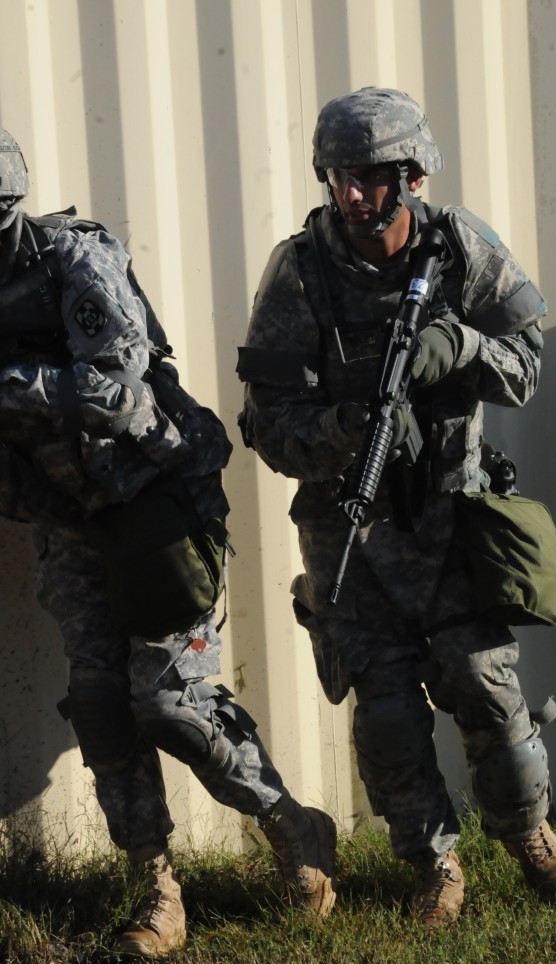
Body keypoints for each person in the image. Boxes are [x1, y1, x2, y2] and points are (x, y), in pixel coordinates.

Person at [237, 87, 556, 926]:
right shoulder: (301, 268)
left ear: (412, 175)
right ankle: (435, 866)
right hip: (347, 527)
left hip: (451, 517)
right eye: (337, 176)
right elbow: (264, 420)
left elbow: (528, 365)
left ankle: (527, 831)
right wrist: (351, 429)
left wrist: (459, 346)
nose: (351, 194)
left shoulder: (460, 245)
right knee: (387, 712)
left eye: (370, 176)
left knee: (485, 691)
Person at [0, 128, 336, 959]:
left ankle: (291, 825)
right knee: (103, 704)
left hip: (155, 496)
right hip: (69, 513)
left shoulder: (72, 259)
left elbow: (114, 389)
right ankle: (158, 891)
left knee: (166, 700)